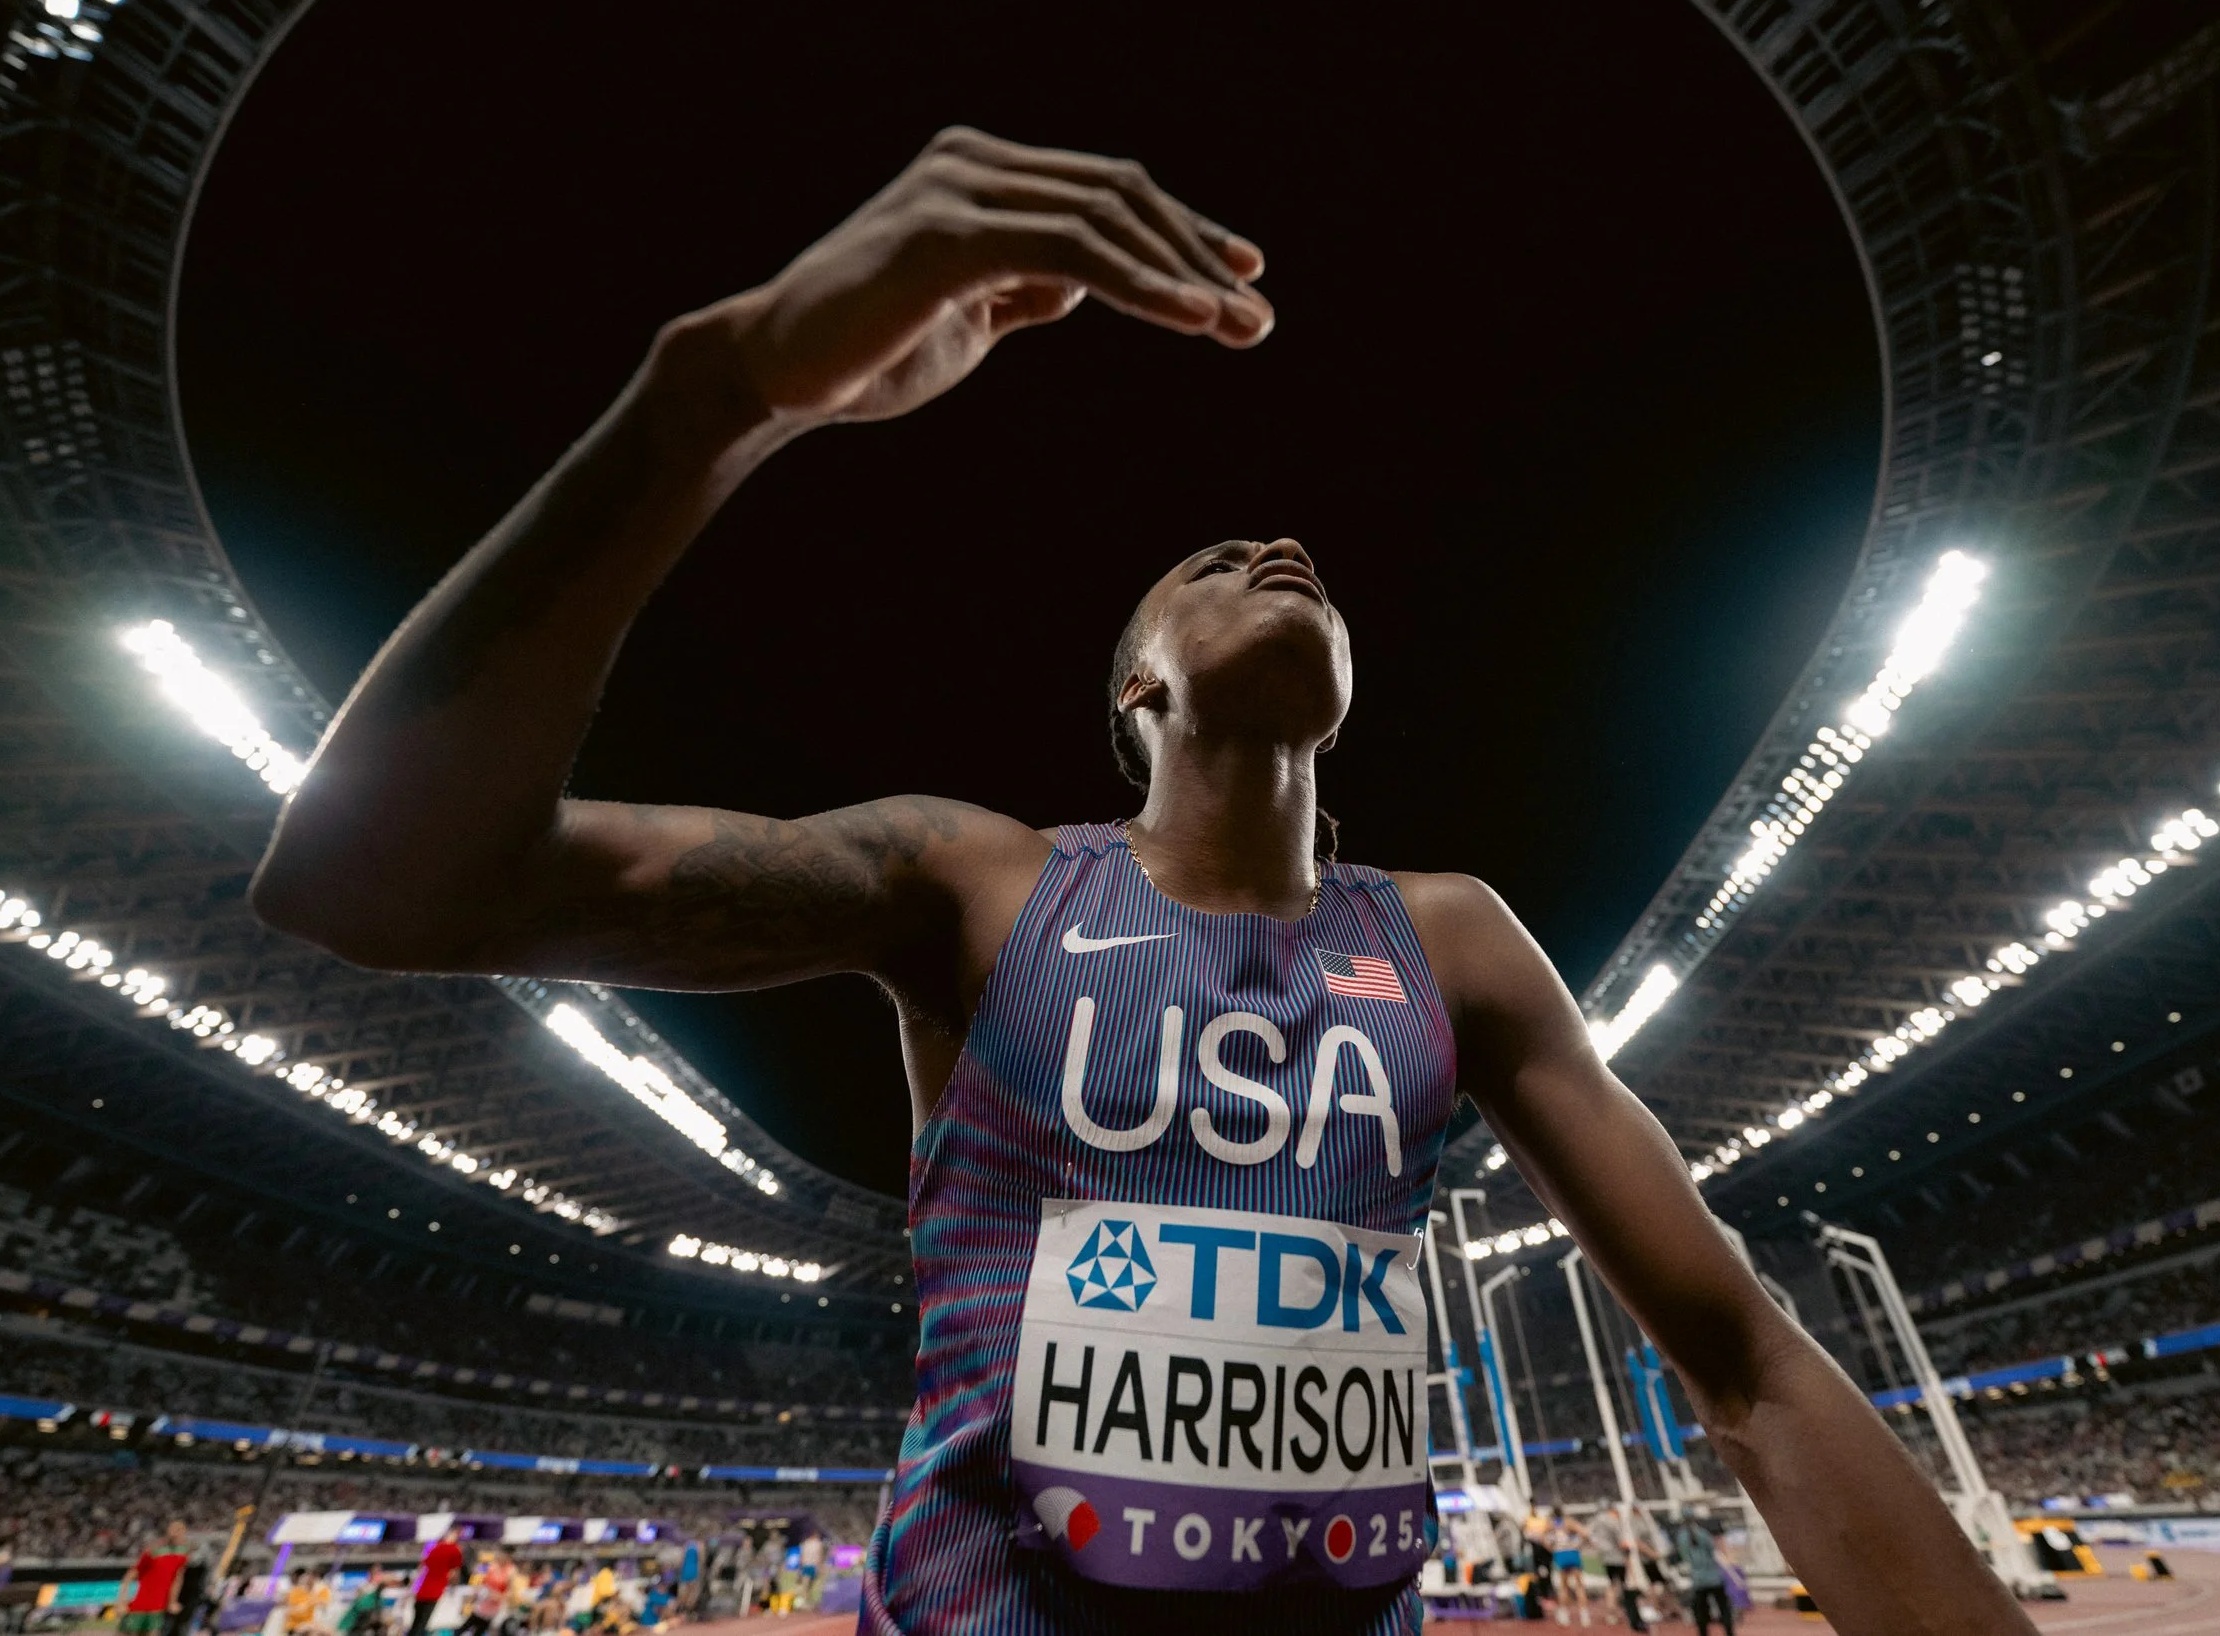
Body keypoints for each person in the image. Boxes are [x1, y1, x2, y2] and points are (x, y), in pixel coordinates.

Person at [251, 125, 2043, 1636]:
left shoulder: (1452, 940)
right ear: (1135, 689)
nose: (1283, 548)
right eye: (1217, 560)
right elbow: (380, 884)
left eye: (1304, 560)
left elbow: (1749, 1364)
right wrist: (713, 392)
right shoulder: (971, 881)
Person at [119, 1521, 192, 1636]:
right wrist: (121, 1602)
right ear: (168, 1532)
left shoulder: (182, 1555)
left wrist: (172, 1602)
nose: (177, 1534)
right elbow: (128, 1577)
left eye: (181, 1531)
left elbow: (177, 1579)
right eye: (175, 1530)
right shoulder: (153, 1551)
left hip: (158, 1607)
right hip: (138, 1606)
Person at [1672, 1509, 1733, 1636]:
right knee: (1724, 1608)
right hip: (1714, 1577)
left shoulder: (1682, 1537)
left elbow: (1685, 1557)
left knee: (1701, 1612)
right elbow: (1712, 1549)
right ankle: (1729, 1632)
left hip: (1698, 1580)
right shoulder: (1703, 1533)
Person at [410, 1529, 465, 1636]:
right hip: (434, 1592)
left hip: (422, 1590)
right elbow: (455, 1573)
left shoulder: (432, 1546)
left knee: (416, 1622)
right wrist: (453, 1587)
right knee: (422, 1623)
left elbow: (421, 1568)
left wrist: (413, 1587)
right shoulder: (455, 1550)